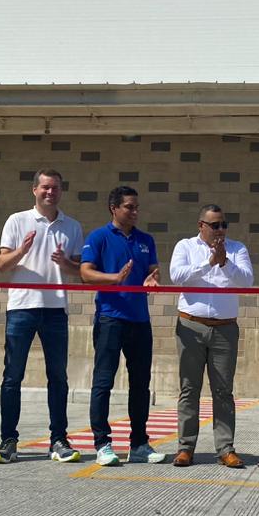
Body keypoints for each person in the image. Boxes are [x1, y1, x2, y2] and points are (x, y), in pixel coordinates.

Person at [0, 169, 84, 465]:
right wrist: (23, 249)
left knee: (58, 377)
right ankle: (8, 440)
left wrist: (65, 262)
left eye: (55, 188)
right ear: (34, 190)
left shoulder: (72, 226)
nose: (50, 192)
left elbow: (79, 272)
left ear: (61, 191)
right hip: (21, 308)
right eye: (45, 187)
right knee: (12, 376)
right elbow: (2, 265)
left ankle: (58, 439)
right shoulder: (17, 221)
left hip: (55, 309)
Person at [79, 186, 168, 467]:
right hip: (110, 318)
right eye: (129, 207)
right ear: (113, 208)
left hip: (140, 320)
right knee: (103, 382)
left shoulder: (146, 239)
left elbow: (152, 271)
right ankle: (103, 444)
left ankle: (139, 443)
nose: (135, 212)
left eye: (136, 207)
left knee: (141, 384)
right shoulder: (99, 237)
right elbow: (85, 273)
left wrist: (152, 280)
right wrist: (114, 278)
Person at [169, 204, 254, 467]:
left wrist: (225, 262)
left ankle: (225, 448)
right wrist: (208, 264)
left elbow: (247, 281)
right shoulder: (185, 246)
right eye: (215, 225)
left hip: (225, 329)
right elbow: (177, 277)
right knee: (189, 388)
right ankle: (185, 448)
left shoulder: (237, 249)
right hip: (191, 326)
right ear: (201, 226)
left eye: (223, 225)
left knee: (223, 390)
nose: (220, 230)